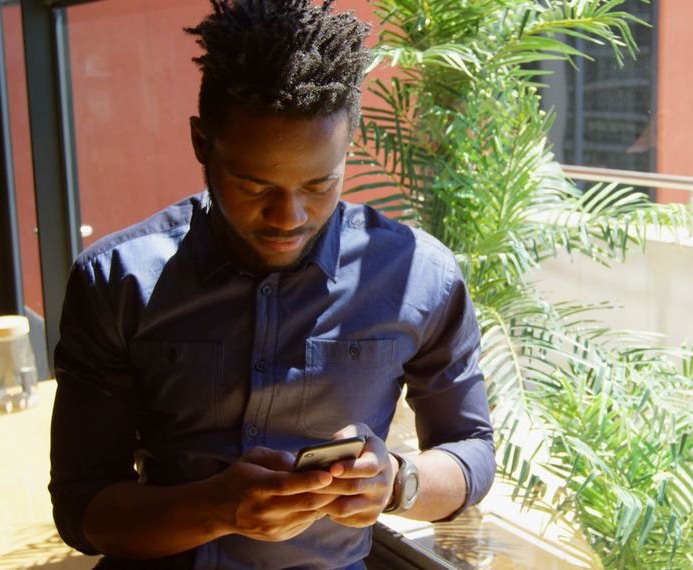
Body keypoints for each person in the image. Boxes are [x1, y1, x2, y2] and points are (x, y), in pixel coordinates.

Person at [48, 1, 495, 568]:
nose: (288, 216)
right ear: (201, 144)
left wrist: (399, 482)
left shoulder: (420, 277)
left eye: (318, 183)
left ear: (347, 150)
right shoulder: (117, 281)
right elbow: (83, 509)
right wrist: (215, 509)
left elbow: (471, 452)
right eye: (253, 185)